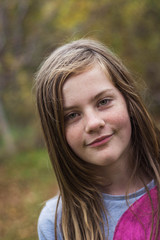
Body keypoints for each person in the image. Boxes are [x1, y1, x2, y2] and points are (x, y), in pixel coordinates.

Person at [35, 39, 160, 240]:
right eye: (72, 115)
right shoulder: (56, 224)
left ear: (129, 101)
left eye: (103, 102)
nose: (93, 123)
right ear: (57, 133)